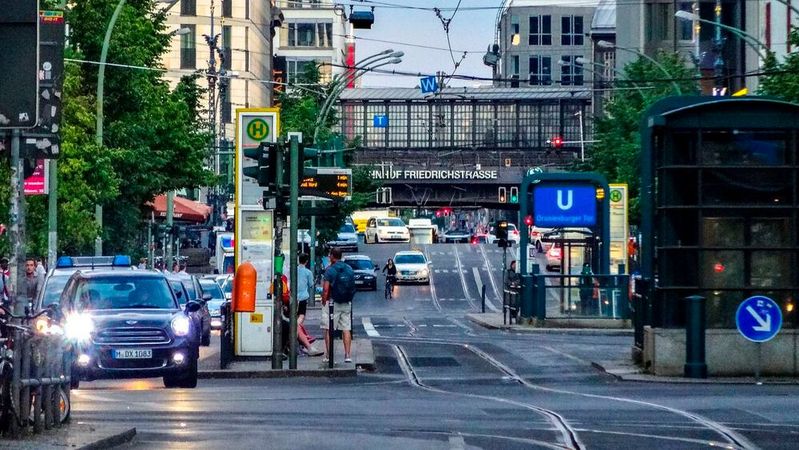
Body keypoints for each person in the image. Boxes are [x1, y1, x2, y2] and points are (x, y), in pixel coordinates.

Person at [321, 248, 356, 363]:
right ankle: (347, 355)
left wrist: (324, 301)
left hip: (332, 303)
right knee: (346, 329)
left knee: (328, 329)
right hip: (346, 302)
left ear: (331, 256)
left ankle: (329, 355)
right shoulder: (349, 269)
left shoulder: (330, 270)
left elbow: (326, 289)